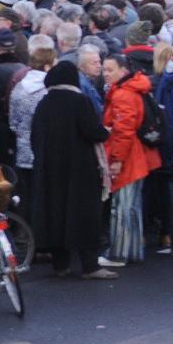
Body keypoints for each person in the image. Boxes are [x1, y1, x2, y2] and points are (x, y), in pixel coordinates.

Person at [30, 62, 114, 280]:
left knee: (55, 214)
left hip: (50, 171)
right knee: (85, 215)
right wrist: (106, 132)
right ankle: (90, 265)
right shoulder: (80, 101)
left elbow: (34, 138)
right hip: (80, 170)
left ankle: (61, 265)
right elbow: (92, 131)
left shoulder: (44, 103)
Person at [102, 53, 159, 267]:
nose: (105, 74)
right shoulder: (133, 89)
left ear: (123, 70)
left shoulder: (122, 94)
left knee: (121, 207)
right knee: (132, 206)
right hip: (138, 154)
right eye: (104, 70)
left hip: (128, 157)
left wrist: (116, 159)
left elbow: (123, 131)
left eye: (110, 70)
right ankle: (132, 249)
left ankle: (118, 253)